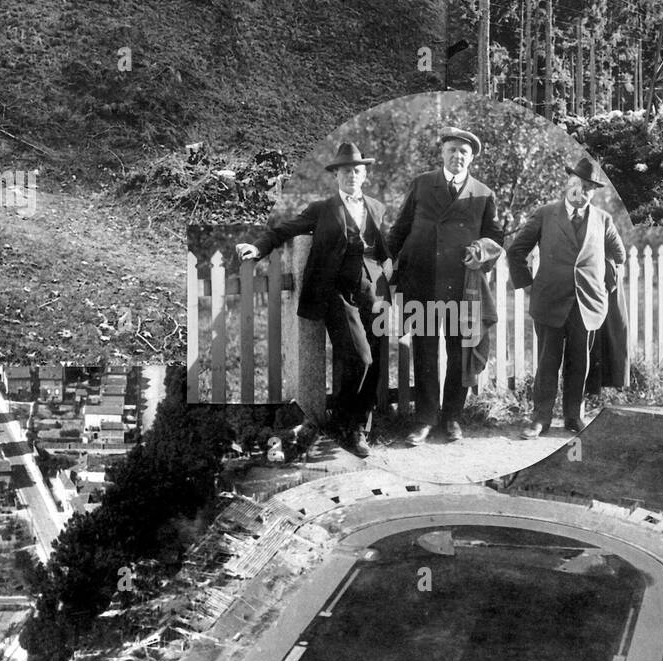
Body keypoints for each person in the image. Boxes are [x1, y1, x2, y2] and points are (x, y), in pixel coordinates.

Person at [236, 142, 391, 458]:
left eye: (357, 170)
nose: (351, 175)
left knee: (375, 361)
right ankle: (348, 426)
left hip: (373, 292)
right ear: (336, 175)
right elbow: (284, 229)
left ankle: (359, 425)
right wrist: (259, 247)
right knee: (360, 358)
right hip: (337, 293)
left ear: (365, 175)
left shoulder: (376, 208)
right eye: (345, 171)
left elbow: (385, 250)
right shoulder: (322, 209)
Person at [389, 127, 503, 444]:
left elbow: (496, 239)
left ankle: (452, 418)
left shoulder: (483, 193)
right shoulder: (423, 184)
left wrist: (480, 252)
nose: (457, 156)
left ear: (471, 158)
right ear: (442, 152)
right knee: (424, 351)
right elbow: (400, 228)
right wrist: (386, 262)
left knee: (460, 351)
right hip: (422, 282)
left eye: (463, 152)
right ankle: (424, 419)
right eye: (452, 150)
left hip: (461, 286)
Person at [506, 154, 626, 438]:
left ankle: (574, 416)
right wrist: (528, 286)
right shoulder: (546, 213)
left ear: (593, 193)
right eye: (577, 185)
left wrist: (604, 284)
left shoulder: (603, 219)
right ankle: (540, 419)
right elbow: (516, 250)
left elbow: (618, 255)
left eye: (588, 189)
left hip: (586, 305)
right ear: (568, 183)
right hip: (549, 301)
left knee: (579, 362)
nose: (581, 192)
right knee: (548, 361)